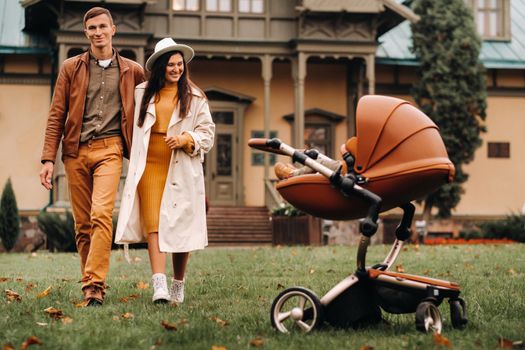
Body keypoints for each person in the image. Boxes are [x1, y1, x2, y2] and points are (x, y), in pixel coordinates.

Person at [39, 7, 145, 306]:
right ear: (86, 33)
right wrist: (49, 158)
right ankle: (91, 280)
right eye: (91, 29)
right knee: (83, 224)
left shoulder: (132, 70)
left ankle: (94, 286)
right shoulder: (71, 68)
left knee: (101, 214)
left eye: (102, 27)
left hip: (110, 150)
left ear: (113, 29)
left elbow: (151, 104)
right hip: (75, 152)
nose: (97, 32)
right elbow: (56, 114)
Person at [115, 38, 215, 304]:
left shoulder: (195, 97)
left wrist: (186, 139)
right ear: (160, 67)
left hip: (181, 169)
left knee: (180, 228)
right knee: (154, 225)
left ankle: (178, 285)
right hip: (149, 167)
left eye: (179, 64)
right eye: (170, 64)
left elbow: (208, 134)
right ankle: (159, 285)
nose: (176, 69)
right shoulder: (141, 92)